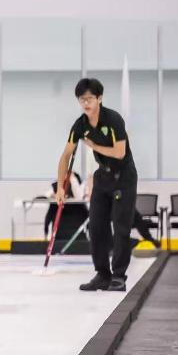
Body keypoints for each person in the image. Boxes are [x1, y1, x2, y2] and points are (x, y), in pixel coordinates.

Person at [55, 78, 137, 292]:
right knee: (96, 226)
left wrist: (93, 145)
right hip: (103, 177)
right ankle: (102, 274)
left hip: (124, 177)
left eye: (90, 98)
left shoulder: (113, 119)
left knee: (121, 227)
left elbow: (120, 152)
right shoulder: (80, 125)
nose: (86, 103)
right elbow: (65, 156)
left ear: (99, 99)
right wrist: (61, 187)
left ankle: (118, 276)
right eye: (82, 99)